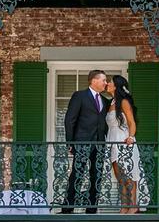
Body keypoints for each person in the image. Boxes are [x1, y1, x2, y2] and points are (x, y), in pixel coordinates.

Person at [63, 69, 110, 214]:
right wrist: (70, 143)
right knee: (77, 174)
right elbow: (69, 120)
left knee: (97, 176)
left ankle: (92, 209)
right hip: (82, 142)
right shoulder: (79, 96)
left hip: (99, 143)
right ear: (94, 80)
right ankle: (67, 208)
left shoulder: (105, 100)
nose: (106, 83)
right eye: (104, 80)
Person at [105, 75, 146, 214]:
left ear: (116, 85)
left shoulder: (123, 102)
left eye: (109, 82)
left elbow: (131, 122)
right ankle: (124, 206)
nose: (107, 84)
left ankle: (133, 206)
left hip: (123, 140)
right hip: (112, 141)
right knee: (119, 177)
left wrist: (131, 137)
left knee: (129, 175)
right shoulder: (111, 102)